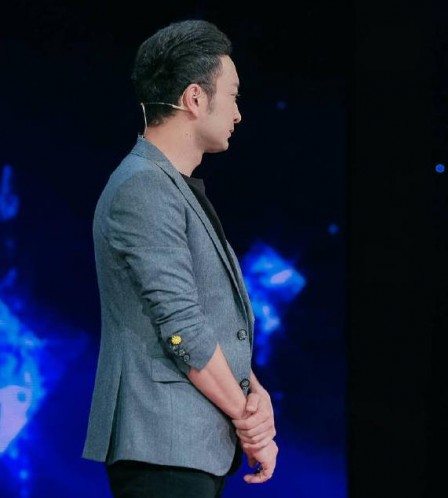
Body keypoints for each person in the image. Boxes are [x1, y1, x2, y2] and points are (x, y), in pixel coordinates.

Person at [82, 19, 278, 497]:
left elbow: (205, 317)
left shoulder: (170, 187)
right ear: (194, 98)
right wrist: (248, 420)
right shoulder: (144, 187)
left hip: (185, 448)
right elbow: (181, 326)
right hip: (161, 446)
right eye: (232, 96)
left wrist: (253, 394)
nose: (238, 114)